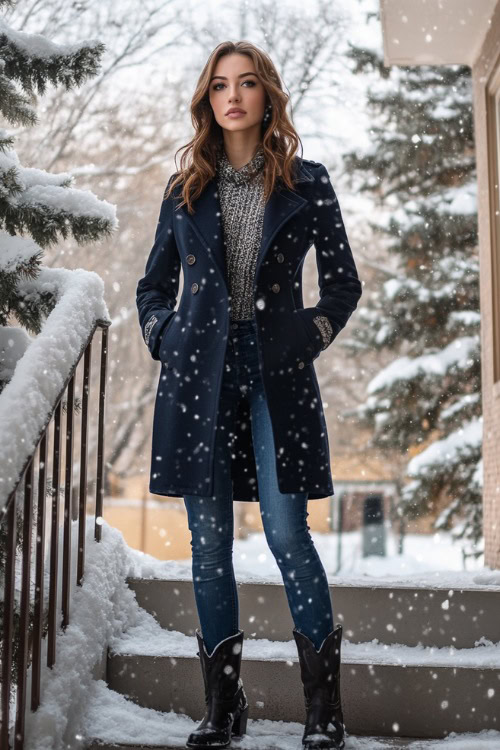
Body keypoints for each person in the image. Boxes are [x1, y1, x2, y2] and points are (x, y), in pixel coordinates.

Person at [136, 40, 362, 750]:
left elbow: (343, 283)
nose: (232, 96)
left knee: (288, 532)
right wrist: (163, 334)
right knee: (208, 546)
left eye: (248, 83)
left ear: (268, 96)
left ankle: (324, 712)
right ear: (208, 100)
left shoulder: (308, 182)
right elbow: (151, 287)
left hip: (278, 374)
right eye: (220, 85)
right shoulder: (185, 189)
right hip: (196, 377)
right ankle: (222, 710)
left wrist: (310, 332)